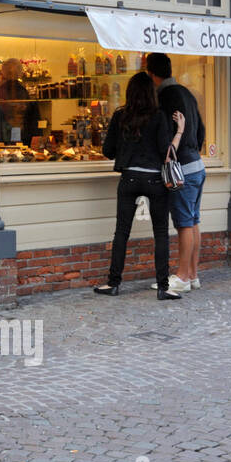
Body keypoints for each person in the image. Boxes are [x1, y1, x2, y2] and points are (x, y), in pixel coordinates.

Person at [95, 71, 185, 298]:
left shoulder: (120, 116)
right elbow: (167, 154)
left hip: (129, 179)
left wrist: (127, 148)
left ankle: (113, 283)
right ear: (151, 94)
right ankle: (163, 288)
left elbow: (108, 151)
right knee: (161, 233)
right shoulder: (159, 116)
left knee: (122, 232)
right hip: (155, 179)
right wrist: (180, 131)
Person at [146, 53, 206, 293]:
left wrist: (167, 154)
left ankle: (181, 277)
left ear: (151, 74)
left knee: (183, 224)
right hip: (197, 165)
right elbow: (201, 129)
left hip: (181, 169)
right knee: (193, 221)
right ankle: (192, 275)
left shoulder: (165, 97)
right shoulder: (187, 93)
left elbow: (166, 137)